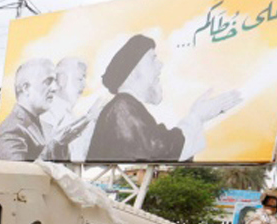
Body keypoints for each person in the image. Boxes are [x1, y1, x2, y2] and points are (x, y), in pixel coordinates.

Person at [87, 34, 241, 162]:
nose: (160, 65)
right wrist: (197, 117)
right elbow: (160, 151)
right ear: (133, 71)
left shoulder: (127, 107)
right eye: (153, 59)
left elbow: (161, 149)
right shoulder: (122, 109)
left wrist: (198, 116)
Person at [0, 59, 78, 161]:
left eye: (55, 81)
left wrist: (63, 144)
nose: (55, 88)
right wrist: (56, 143)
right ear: (26, 88)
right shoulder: (10, 130)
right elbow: (19, 174)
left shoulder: (48, 128)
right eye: (48, 81)